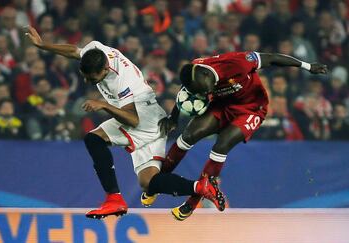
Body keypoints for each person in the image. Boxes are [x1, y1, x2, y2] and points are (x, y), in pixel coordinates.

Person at [25, 26, 225, 219]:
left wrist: (104, 105)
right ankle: (201, 187)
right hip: (153, 118)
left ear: (105, 69)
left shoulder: (121, 80)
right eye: (84, 77)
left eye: (92, 79)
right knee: (149, 182)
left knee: (94, 139)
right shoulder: (96, 50)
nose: (87, 82)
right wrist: (44, 45)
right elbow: (74, 51)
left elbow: (132, 119)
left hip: (143, 118)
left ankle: (114, 198)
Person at [155, 51, 327, 220]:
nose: (204, 93)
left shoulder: (238, 62)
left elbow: (272, 58)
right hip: (222, 106)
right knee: (189, 135)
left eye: (203, 90)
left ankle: (191, 204)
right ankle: (156, 184)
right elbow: (184, 93)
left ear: (206, 74)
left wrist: (308, 66)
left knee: (222, 145)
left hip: (251, 109)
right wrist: (173, 118)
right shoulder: (195, 72)